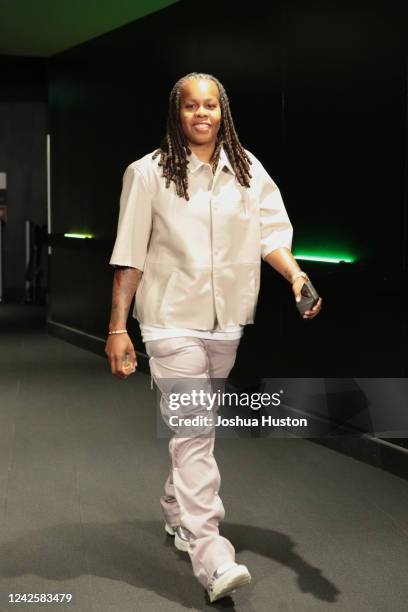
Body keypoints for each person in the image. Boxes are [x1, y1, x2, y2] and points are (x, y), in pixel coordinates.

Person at [105, 71, 322, 603]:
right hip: (168, 320)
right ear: (175, 113)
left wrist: (294, 274)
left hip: (228, 321)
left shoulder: (248, 171)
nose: (201, 114)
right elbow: (130, 254)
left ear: (222, 112)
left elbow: (272, 233)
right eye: (190, 106)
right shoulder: (148, 174)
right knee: (196, 432)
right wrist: (117, 327)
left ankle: (179, 512)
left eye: (210, 106)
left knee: (194, 431)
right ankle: (211, 553)